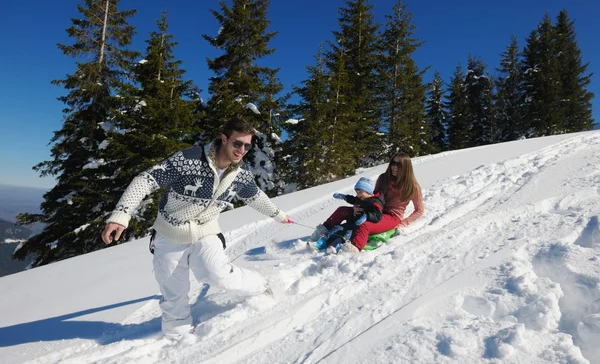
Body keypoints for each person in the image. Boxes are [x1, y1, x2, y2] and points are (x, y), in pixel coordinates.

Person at [100, 117, 292, 340]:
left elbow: (255, 196)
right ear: (223, 139)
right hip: (170, 233)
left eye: (247, 146)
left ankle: (261, 285)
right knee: (174, 291)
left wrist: (279, 216)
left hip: (206, 231)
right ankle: (178, 338)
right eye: (237, 144)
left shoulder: (240, 175)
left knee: (217, 274)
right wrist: (121, 215)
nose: (242, 150)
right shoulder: (189, 159)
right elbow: (146, 179)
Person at [312, 152, 424, 253]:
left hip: (391, 217)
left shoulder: (413, 187)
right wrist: (357, 206)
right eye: (393, 163)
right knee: (342, 210)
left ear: (406, 167)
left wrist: (404, 223)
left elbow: (419, 210)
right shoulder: (384, 178)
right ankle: (321, 232)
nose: (394, 167)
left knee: (364, 224)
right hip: (374, 209)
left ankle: (353, 248)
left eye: (398, 165)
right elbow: (372, 197)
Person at [308, 177, 384, 254]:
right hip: (352, 223)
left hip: (360, 227)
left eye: (360, 192)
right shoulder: (361, 198)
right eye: (357, 192)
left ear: (368, 191)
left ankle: (340, 248)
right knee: (337, 228)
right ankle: (321, 243)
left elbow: (378, 216)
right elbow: (353, 199)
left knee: (347, 235)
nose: (357, 195)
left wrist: (366, 216)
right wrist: (344, 197)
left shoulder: (375, 202)